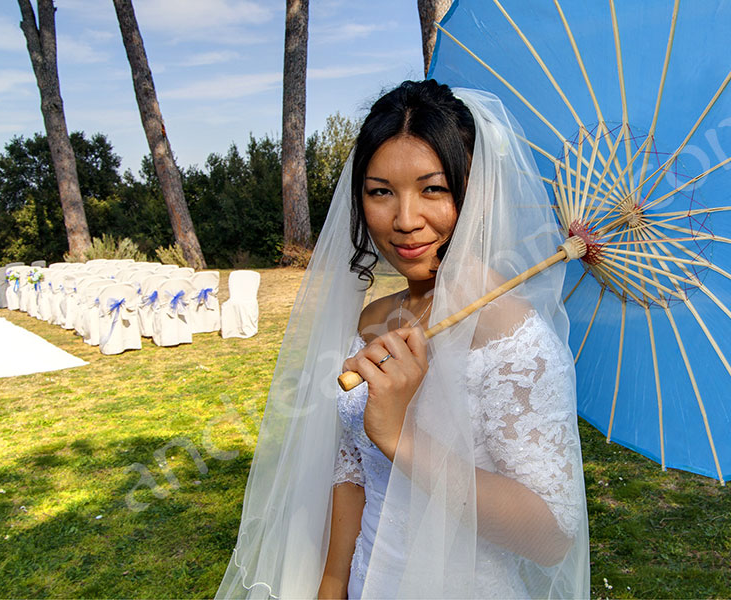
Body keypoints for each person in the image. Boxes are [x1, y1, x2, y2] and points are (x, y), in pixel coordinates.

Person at [215, 80, 590, 599]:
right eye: (381, 192)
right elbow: (351, 465)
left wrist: (398, 437)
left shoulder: (513, 339)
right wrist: (333, 582)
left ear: (473, 190)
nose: (406, 220)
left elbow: (551, 538)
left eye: (432, 189)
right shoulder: (375, 319)